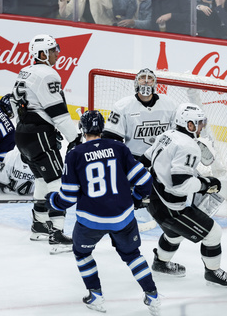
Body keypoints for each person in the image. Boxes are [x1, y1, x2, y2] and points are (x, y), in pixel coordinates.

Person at [45, 110, 161, 315]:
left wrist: (53, 201)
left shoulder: (74, 155)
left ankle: (96, 295)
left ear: (82, 129)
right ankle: (152, 296)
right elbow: (145, 181)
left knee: (82, 253)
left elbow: (68, 198)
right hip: (123, 218)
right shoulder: (118, 148)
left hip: (91, 221)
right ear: (102, 128)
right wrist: (134, 200)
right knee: (132, 254)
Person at [140, 103, 227, 288]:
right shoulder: (188, 145)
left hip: (153, 198)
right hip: (171, 207)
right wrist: (206, 184)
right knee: (213, 233)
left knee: (174, 234)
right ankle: (213, 272)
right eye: (199, 123)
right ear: (189, 125)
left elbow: (144, 160)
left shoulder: (166, 135)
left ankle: (160, 263)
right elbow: (180, 183)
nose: (201, 127)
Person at [11, 34, 80, 254]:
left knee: (41, 178)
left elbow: (15, 105)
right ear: (42, 54)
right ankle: (57, 234)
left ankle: (39, 225)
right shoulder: (48, 74)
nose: (57, 53)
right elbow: (58, 113)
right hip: (39, 134)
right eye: (53, 50)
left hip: (23, 133)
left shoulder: (25, 71)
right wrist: (76, 139)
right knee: (57, 182)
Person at [102, 68, 177, 160]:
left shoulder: (169, 104)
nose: (146, 81)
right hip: (134, 158)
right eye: (142, 78)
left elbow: (177, 134)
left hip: (162, 158)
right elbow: (111, 137)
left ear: (154, 83)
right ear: (136, 82)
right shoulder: (122, 106)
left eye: (150, 78)